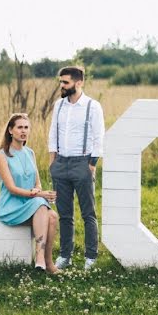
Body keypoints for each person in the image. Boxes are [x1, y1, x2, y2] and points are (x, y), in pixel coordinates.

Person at [48, 66, 105, 270]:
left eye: (65, 82)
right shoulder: (59, 105)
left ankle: (91, 257)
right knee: (64, 214)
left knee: (88, 213)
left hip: (83, 163)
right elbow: (53, 133)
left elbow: (99, 137)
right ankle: (65, 255)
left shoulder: (92, 106)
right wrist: (52, 161)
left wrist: (92, 164)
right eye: (61, 82)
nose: (61, 86)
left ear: (78, 83)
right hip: (61, 163)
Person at [0, 113, 59, 273]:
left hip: (32, 204)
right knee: (41, 204)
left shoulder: (30, 153)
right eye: (19, 127)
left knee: (53, 217)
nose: (23, 131)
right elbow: (12, 188)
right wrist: (41, 195)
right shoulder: (1, 156)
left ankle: (48, 263)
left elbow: (37, 182)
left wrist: (38, 190)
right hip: (12, 207)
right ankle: (40, 258)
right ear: (10, 130)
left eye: (26, 127)